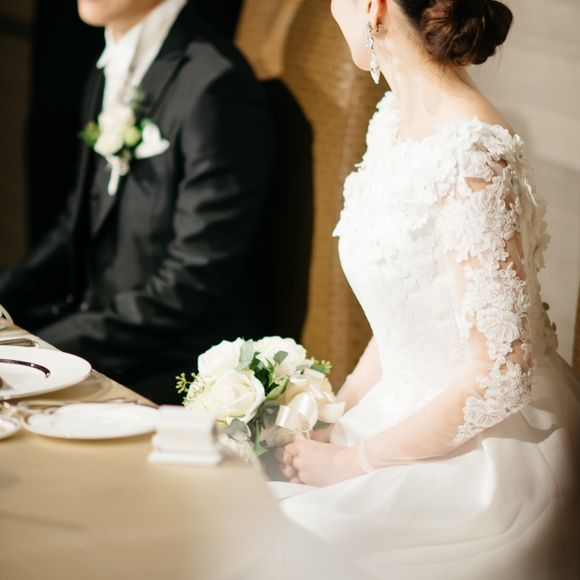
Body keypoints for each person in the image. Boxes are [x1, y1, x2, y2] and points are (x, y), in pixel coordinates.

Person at [271, 1, 580, 578]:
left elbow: (500, 374)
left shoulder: (471, 152)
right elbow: (406, 316)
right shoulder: (393, 120)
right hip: (399, 414)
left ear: (374, 7)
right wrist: (337, 411)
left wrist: (356, 462)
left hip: (484, 456)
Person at [0, 0, 274, 404]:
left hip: (175, 365)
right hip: (100, 331)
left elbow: (191, 281)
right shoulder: (112, 63)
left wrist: (48, 350)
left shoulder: (216, 84)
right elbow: (75, 227)